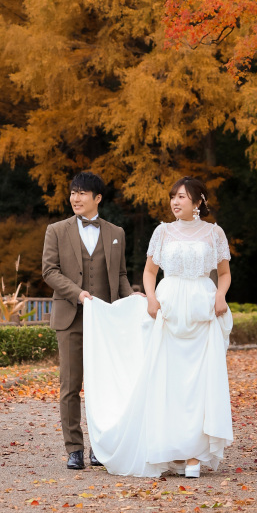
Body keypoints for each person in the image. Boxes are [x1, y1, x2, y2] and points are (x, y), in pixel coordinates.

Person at [82, 176, 234, 478]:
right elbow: (150, 272)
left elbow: (225, 272)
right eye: (173, 197)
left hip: (202, 310)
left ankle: (194, 455)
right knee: (168, 382)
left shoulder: (214, 233)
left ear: (197, 202)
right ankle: (168, 448)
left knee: (199, 384)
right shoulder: (163, 231)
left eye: (181, 197)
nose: (175, 202)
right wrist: (151, 298)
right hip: (168, 310)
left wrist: (220, 295)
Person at [41, 170, 133, 470]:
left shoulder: (116, 233)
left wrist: (132, 301)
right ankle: (74, 449)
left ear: (98, 198)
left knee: (103, 386)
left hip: (105, 321)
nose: (75, 198)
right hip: (71, 318)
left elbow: (120, 275)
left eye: (82, 193)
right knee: (70, 385)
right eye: (73, 192)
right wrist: (77, 293)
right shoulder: (56, 230)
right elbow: (49, 271)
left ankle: (99, 447)